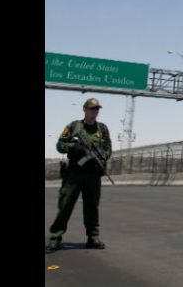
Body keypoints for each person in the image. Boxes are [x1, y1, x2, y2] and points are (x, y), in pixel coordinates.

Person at [46, 98, 113, 252]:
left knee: (92, 207)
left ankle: (93, 237)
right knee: (65, 206)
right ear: (84, 109)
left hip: (92, 174)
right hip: (74, 174)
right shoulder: (74, 126)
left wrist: (101, 157)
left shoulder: (102, 129)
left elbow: (108, 148)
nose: (94, 111)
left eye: (97, 109)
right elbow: (59, 145)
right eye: (92, 108)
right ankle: (55, 238)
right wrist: (73, 146)